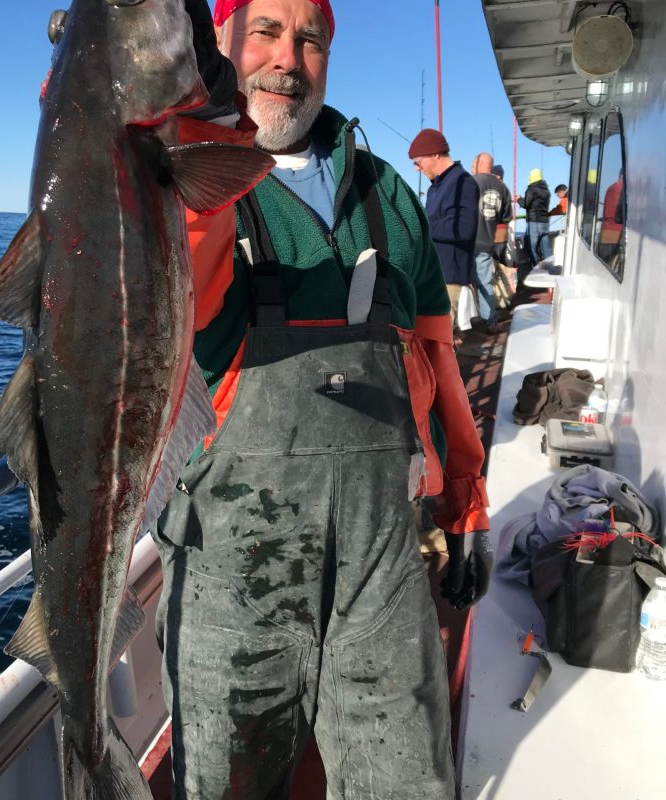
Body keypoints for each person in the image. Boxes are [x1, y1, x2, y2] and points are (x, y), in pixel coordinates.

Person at [157, 2, 492, 798]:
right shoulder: (181, 181)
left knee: (411, 779)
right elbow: (177, 283)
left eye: (310, 39)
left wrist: (467, 501)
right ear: (221, 44)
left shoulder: (388, 194)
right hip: (227, 577)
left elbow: (437, 359)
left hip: (383, 565)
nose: (288, 59)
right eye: (265, 31)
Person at [408, 128, 480, 345]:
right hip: (437, 275)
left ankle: (445, 380)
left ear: (435, 154)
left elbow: (464, 228)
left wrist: (422, 226)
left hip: (451, 277)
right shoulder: (434, 189)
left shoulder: (462, 182)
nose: (416, 168)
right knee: (444, 340)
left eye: (418, 161)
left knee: (440, 343)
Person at [471, 152, 512, 332]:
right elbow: (506, 216)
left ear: (479, 164)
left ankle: (483, 319)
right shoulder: (502, 188)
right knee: (484, 281)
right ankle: (488, 318)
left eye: (473, 165)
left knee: (462, 282)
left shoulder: (470, 182)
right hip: (488, 241)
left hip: (468, 241)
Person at [515, 168, 551, 265]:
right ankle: (550, 268)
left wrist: (519, 199)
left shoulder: (531, 189)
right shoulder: (547, 191)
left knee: (531, 248)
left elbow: (526, 204)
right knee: (546, 248)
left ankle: (535, 268)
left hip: (534, 222)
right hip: (545, 222)